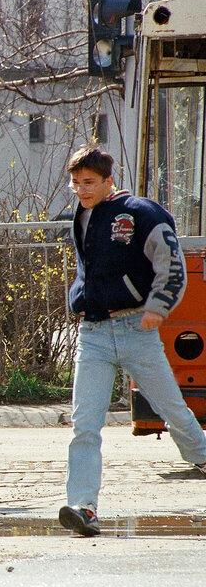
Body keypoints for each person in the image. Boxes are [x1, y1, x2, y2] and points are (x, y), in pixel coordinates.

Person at [59, 144, 206, 537]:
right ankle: (83, 506)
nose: (81, 190)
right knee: (84, 425)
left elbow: (170, 264)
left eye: (89, 183)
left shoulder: (143, 213)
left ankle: (201, 454)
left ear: (110, 180)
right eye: (75, 183)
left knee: (172, 409)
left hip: (135, 329)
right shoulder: (82, 215)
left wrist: (158, 306)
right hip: (92, 333)